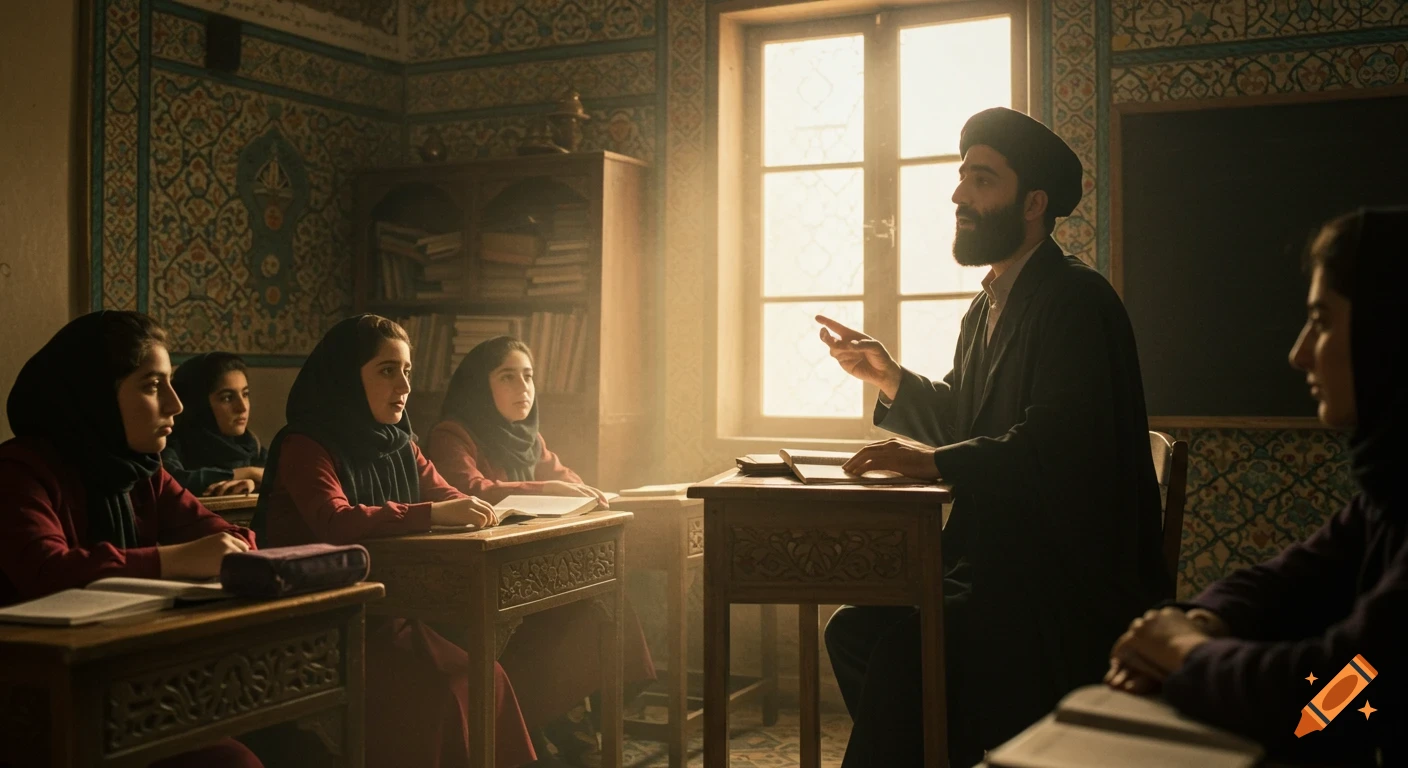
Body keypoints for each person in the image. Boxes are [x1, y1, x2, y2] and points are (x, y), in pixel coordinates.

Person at [817, 107, 1169, 766]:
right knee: (854, 631)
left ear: (1032, 202)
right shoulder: (987, 307)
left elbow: (1056, 448)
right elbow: (967, 417)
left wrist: (927, 467)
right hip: (994, 574)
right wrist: (889, 377)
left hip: (1060, 591)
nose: (959, 196)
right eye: (961, 179)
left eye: (982, 180)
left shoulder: (1077, 302)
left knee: (901, 654)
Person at [1105, 208, 1407, 765]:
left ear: (1387, 331)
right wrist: (1202, 619)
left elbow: (1331, 698)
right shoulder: (1388, 493)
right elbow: (1285, 580)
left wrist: (1183, 651)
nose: (1298, 354)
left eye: (1321, 321)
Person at [253, 314, 539, 768]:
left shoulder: (400, 443)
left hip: (387, 611)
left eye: (407, 371)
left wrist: (490, 512)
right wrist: (434, 513)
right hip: (315, 622)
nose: (403, 385)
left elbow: (452, 497)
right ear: (348, 377)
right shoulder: (305, 444)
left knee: (489, 677)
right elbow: (335, 520)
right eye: (387, 371)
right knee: (438, 690)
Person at [0, 311, 260, 768]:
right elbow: (48, 572)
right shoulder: (18, 472)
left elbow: (233, 537)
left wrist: (223, 550)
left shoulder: (142, 473)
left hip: (129, 687)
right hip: (34, 705)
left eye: (172, 384)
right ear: (95, 397)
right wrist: (174, 560)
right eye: (151, 385)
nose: (177, 405)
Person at [425, 336, 656, 765]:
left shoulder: (529, 439)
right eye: (507, 377)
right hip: (478, 584)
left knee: (602, 608)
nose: (523, 388)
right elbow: (470, 491)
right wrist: (546, 487)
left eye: (528, 376)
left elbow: (571, 481)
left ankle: (572, 727)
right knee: (562, 625)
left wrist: (582, 492)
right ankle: (557, 730)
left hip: (530, 575)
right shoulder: (452, 433)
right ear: (480, 385)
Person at [162, 352, 268, 497]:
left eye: (245, 394)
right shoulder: (172, 443)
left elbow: (290, 477)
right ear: (199, 405)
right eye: (227, 398)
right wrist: (247, 473)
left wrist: (253, 483)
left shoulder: (249, 445)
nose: (242, 407)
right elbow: (172, 482)